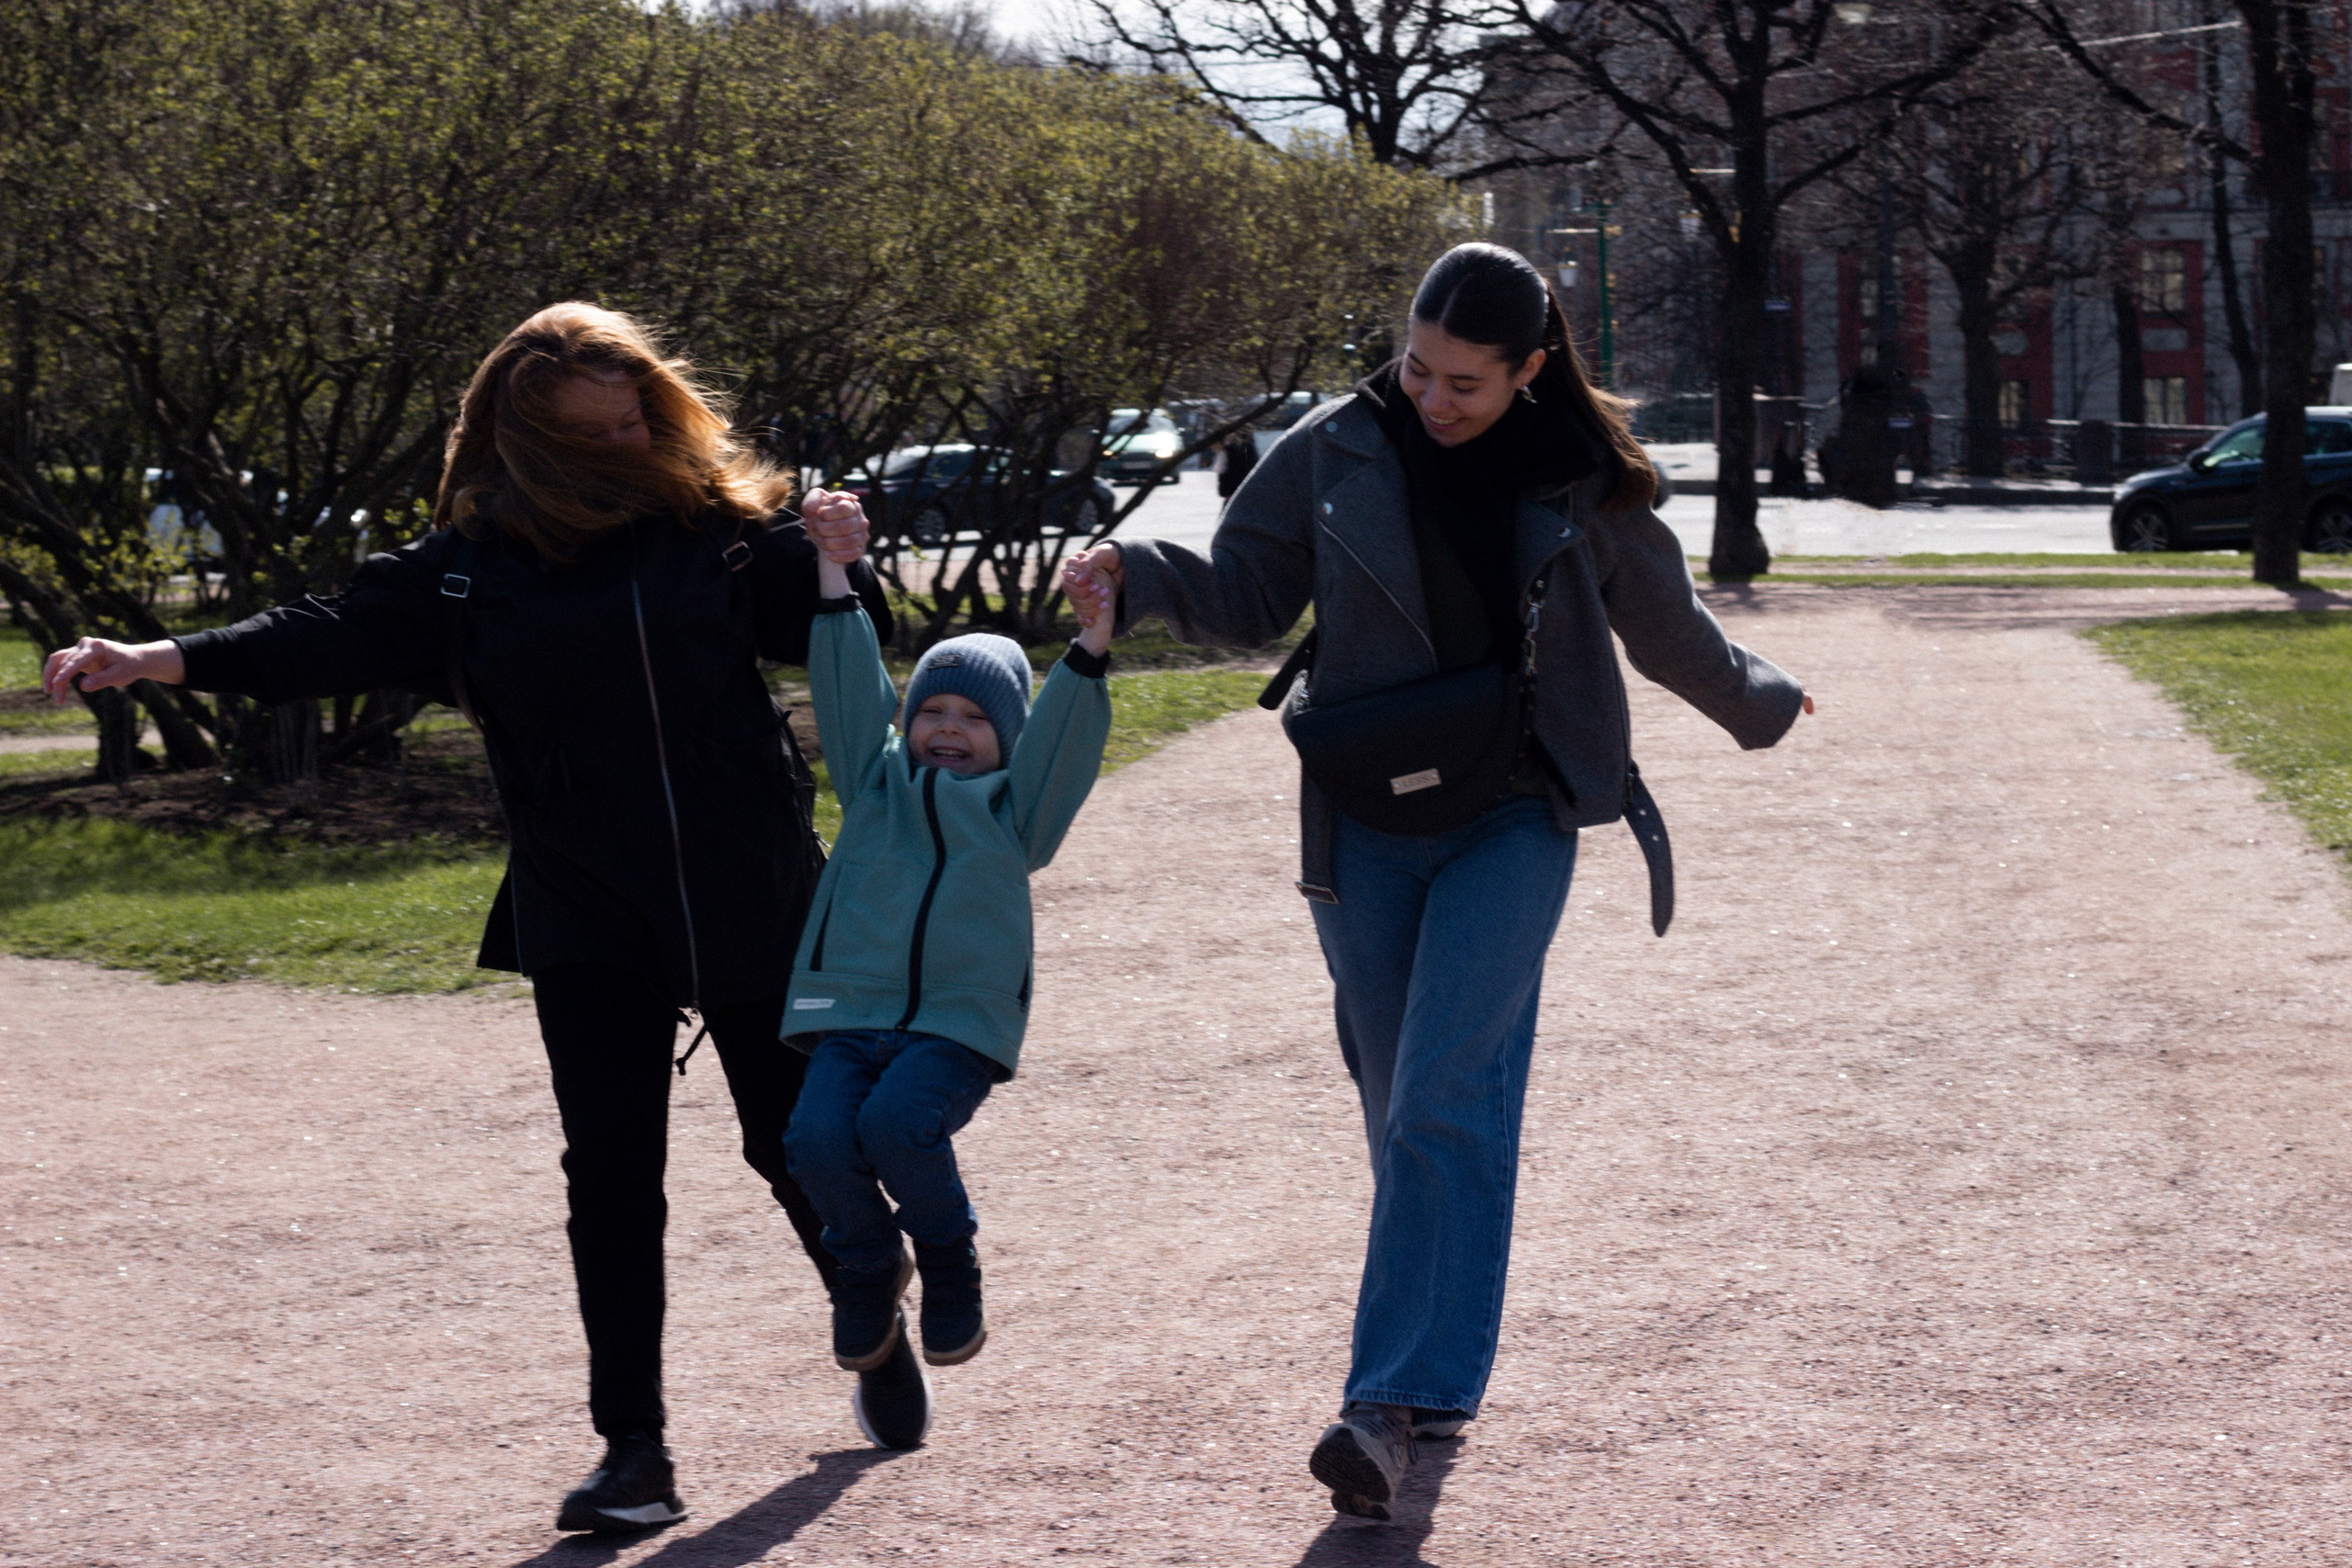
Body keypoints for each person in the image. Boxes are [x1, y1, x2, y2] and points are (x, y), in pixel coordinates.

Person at [40, 302, 928, 1534]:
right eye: (597, 432)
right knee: (610, 1175)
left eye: (639, 418)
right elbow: (323, 636)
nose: (629, 442)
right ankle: (636, 1452)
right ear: (530, 444)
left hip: (749, 882)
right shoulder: (470, 565)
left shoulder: (721, 535)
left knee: (787, 1141)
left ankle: (869, 1299)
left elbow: (841, 633)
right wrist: (156, 654)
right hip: (582, 902)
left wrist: (843, 556)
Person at [1063, 243, 1814, 1521]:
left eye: (1467, 381)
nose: (1434, 396)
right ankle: (1435, 1375)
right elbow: (1248, 593)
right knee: (1400, 1094)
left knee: (1442, 1094)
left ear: (1531, 369)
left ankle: (1384, 1401)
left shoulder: (1583, 477)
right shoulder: (1335, 445)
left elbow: (1665, 627)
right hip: (1364, 813)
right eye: (1418, 365)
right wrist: (1141, 579)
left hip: (1518, 810)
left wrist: (1760, 699)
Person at [778, 547, 1114, 1379]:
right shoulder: (875, 786)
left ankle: (950, 1261)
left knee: (898, 1126)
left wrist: (1092, 644)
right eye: (934, 710)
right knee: (815, 1137)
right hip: (853, 1014)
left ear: (1009, 739)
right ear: (907, 720)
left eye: (975, 716)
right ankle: (866, 1264)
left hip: (956, 1025)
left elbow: (1065, 741)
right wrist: (832, 573)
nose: (951, 728)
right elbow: (849, 687)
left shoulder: (1017, 816)